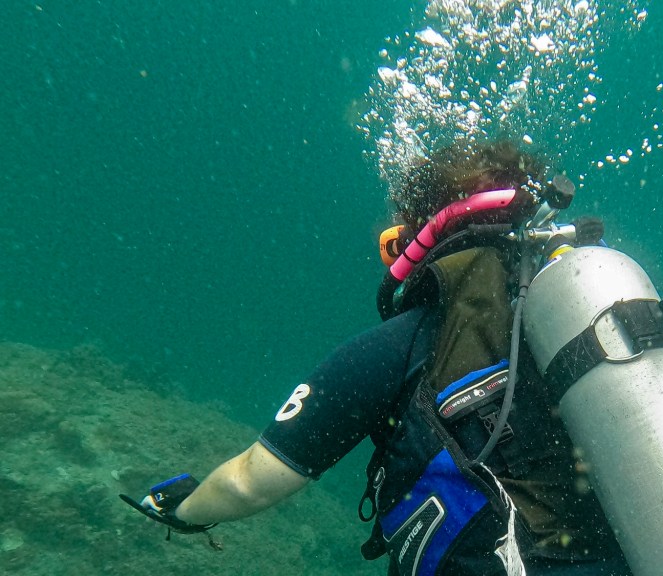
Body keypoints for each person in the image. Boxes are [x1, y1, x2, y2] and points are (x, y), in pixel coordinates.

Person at [123, 140, 635, 575]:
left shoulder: (405, 345)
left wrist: (185, 510)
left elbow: (249, 482)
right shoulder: (599, 337)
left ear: (423, 237)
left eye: (396, 240)